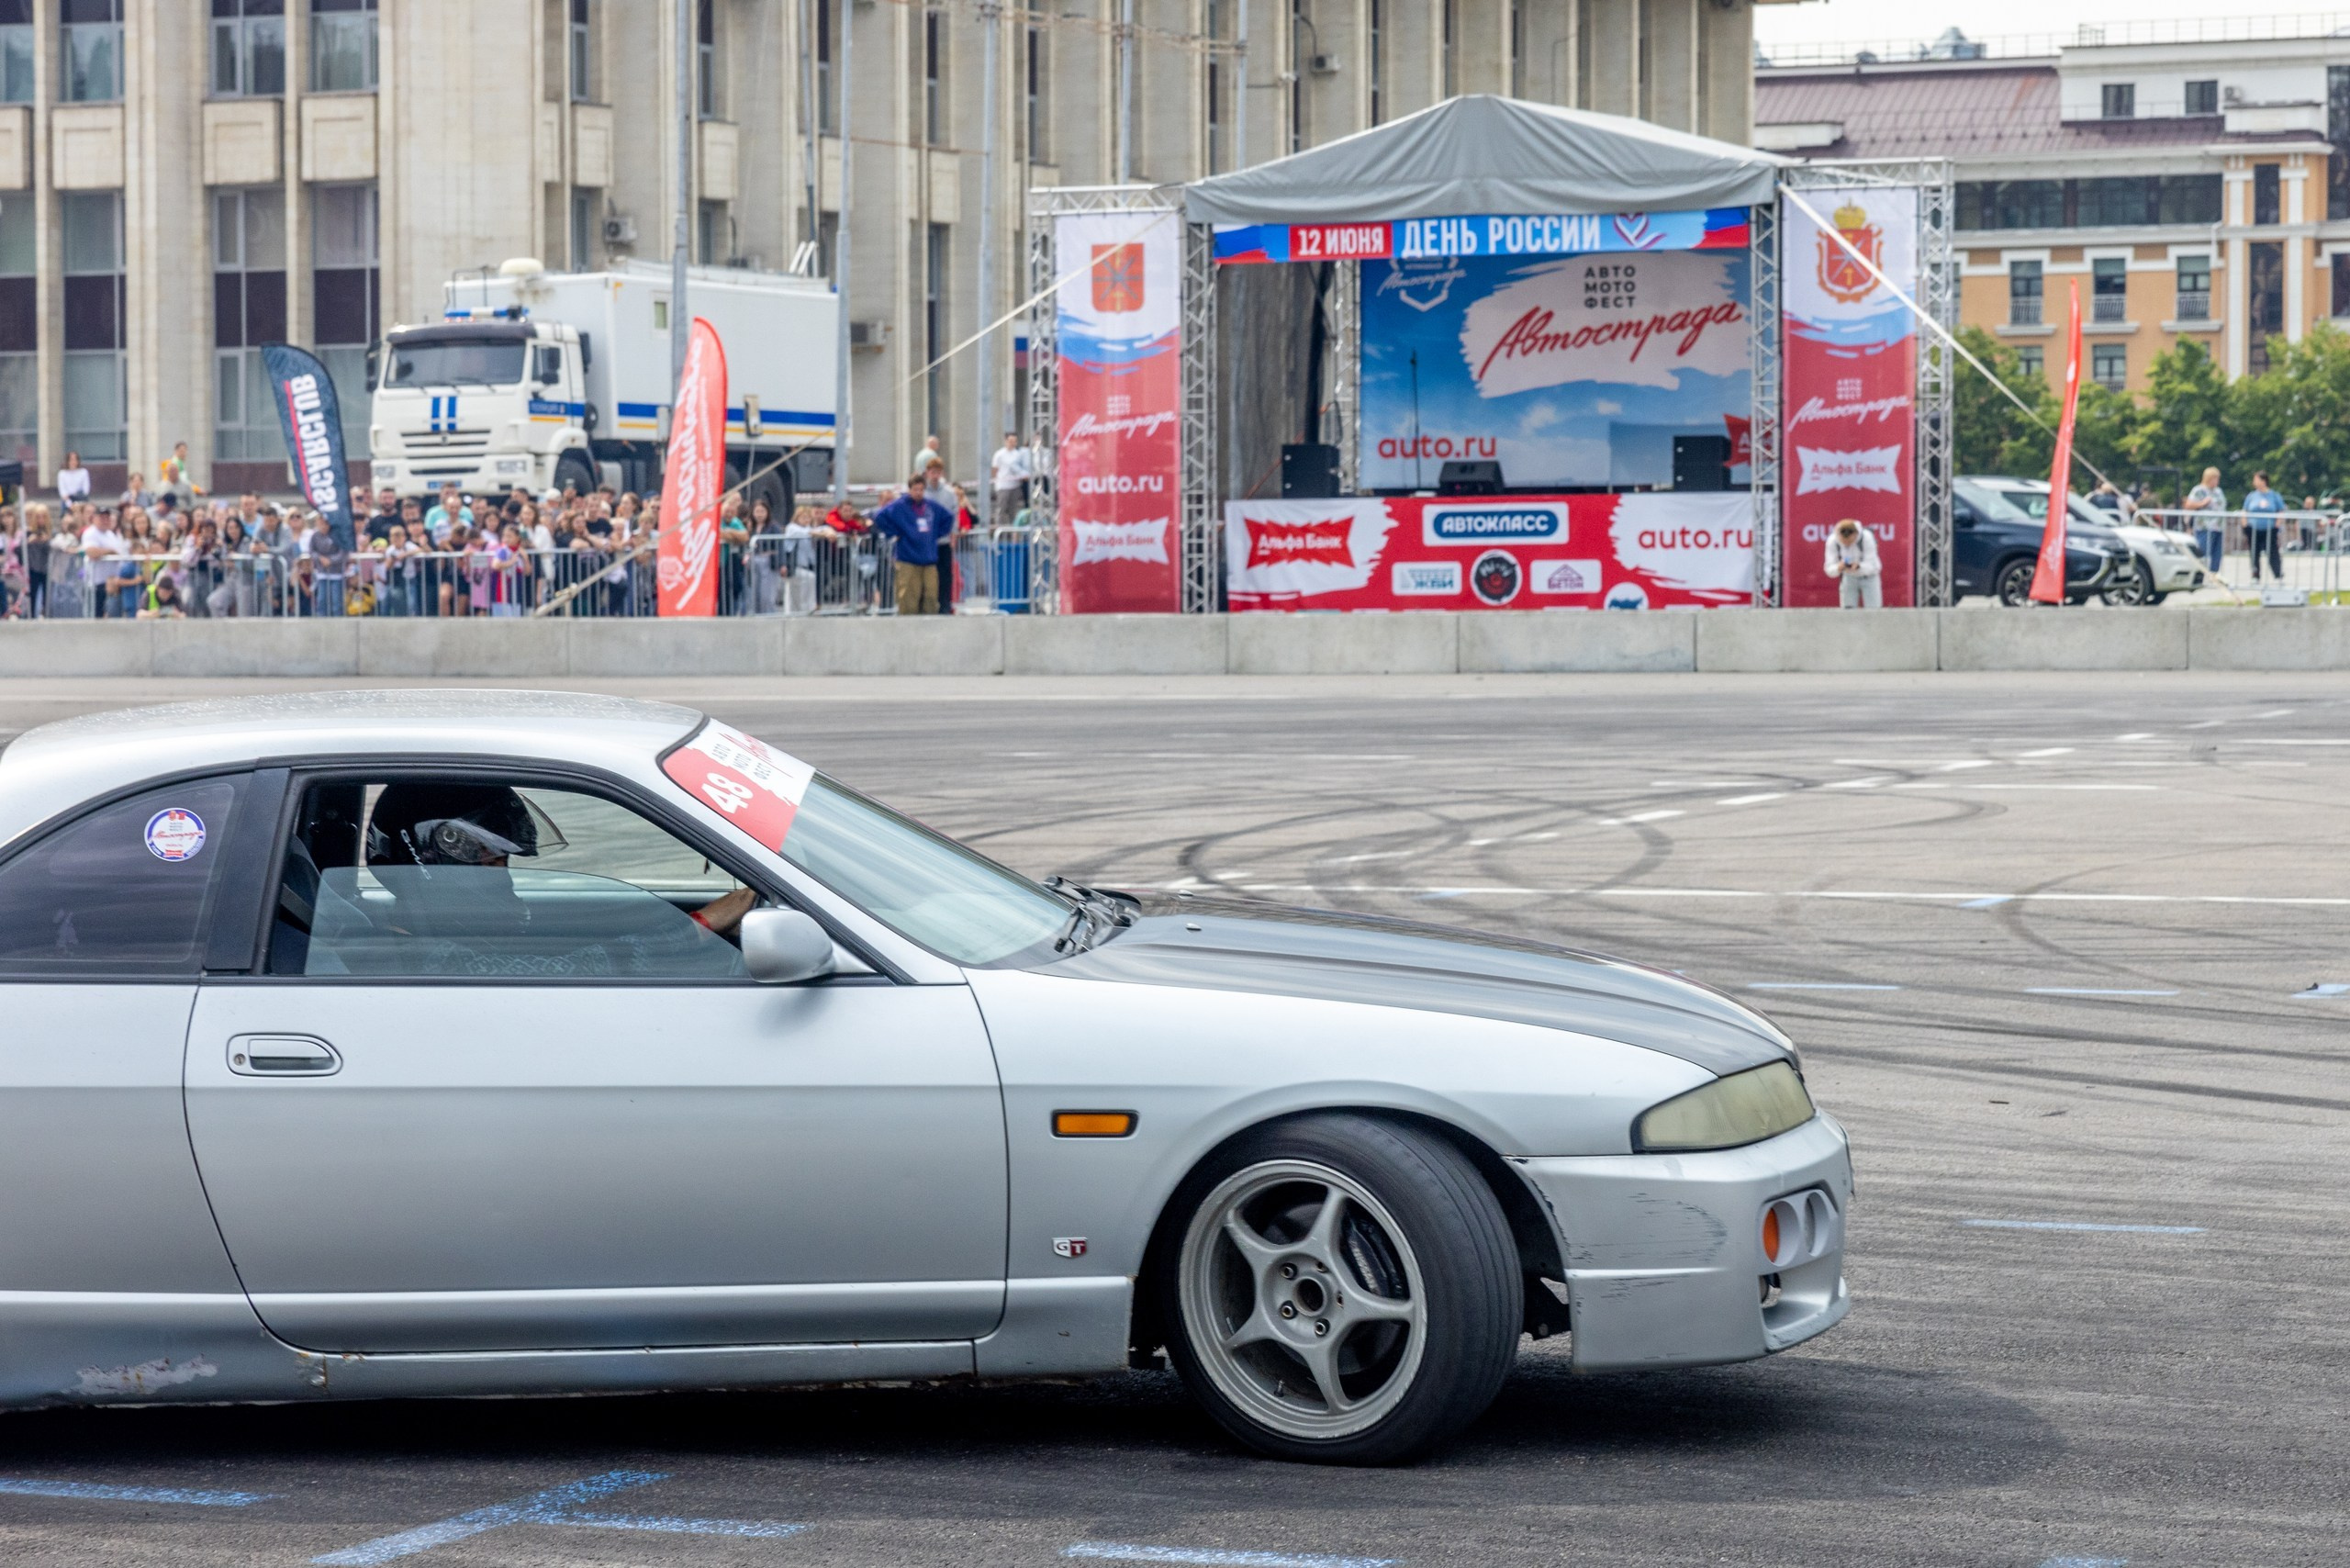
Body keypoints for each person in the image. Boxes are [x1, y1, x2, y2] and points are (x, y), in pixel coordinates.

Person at [869, 473, 952, 614]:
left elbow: (949, 517)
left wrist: (936, 534)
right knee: (908, 598)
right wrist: (895, 532)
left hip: (929, 559)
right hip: (908, 559)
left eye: (921, 489)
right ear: (909, 489)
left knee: (931, 596)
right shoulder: (899, 505)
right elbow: (879, 517)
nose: (918, 493)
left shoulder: (931, 506)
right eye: (915, 489)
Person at [1825, 518, 1883, 608]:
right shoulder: (1832, 541)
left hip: (1869, 577)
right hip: (1849, 577)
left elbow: (1872, 565)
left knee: (1874, 610)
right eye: (1844, 542)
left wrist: (1859, 567)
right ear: (1838, 535)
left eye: (1849, 542)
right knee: (1848, 612)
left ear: (1856, 534)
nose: (1847, 544)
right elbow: (1829, 569)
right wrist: (1838, 567)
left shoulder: (1866, 537)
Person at [2183, 466, 2226, 575]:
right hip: (2204, 526)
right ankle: (2200, 573)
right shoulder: (2198, 490)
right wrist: (2202, 503)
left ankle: (2214, 573)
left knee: (2217, 553)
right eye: (2215, 478)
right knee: (2203, 551)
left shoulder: (2218, 491)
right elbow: (2188, 505)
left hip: (2218, 527)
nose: (2217, 481)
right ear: (2208, 478)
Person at [2243, 472, 2285, 583]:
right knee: (2254, 553)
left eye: (2256, 479)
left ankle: (2277, 575)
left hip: (2269, 529)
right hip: (2254, 528)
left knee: (2272, 552)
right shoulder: (2251, 496)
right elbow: (2245, 511)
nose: (2254, 482)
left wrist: (2277, 525)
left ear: (2263, 481)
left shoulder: (2274, 495)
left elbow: (2280, 511)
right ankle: (2255, 575)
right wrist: (2245, 525)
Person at [990, 431, 1031, 530]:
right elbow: (995, 470)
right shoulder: (999, 454)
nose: (1012, 443)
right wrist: (997, 481)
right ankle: (999, 530)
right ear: (1006, 441)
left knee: (1013, 510)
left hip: (1015, 486)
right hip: (1003, 486)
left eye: (1014, 441)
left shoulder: (1018, 454)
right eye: (1010, 441)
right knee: (1001, 509)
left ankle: (1014, 532)